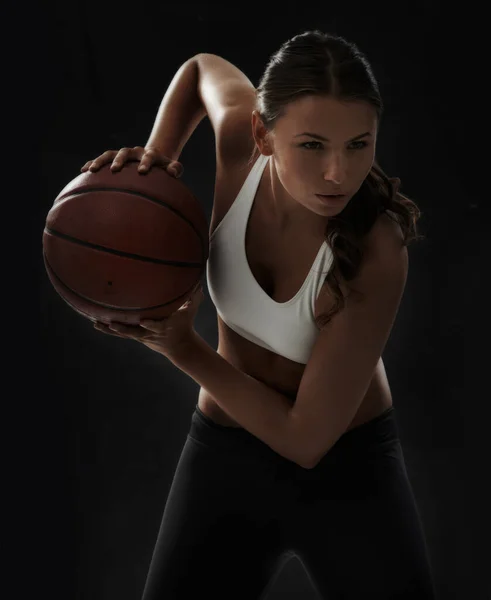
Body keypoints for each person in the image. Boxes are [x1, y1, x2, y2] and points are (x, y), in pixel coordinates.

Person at [85, 30, 437, 600]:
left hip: (350, 471)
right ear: (262, 133)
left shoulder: (377, 247)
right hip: (225, 456)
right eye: (313, 145)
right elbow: (202, 68)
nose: (337, 175)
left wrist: (182, 347)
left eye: (358, 144)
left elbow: (306, 438)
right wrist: (156, 160)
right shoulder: (236, 147)